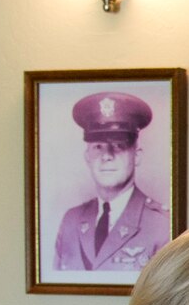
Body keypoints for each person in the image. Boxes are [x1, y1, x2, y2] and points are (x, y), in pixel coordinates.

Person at [54, 91, 172, 273]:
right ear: (87, 157)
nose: (107, 156)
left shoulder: (162, 224)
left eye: (118, 145)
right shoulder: (71, 221)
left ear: (137, 155)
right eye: (98, 147)